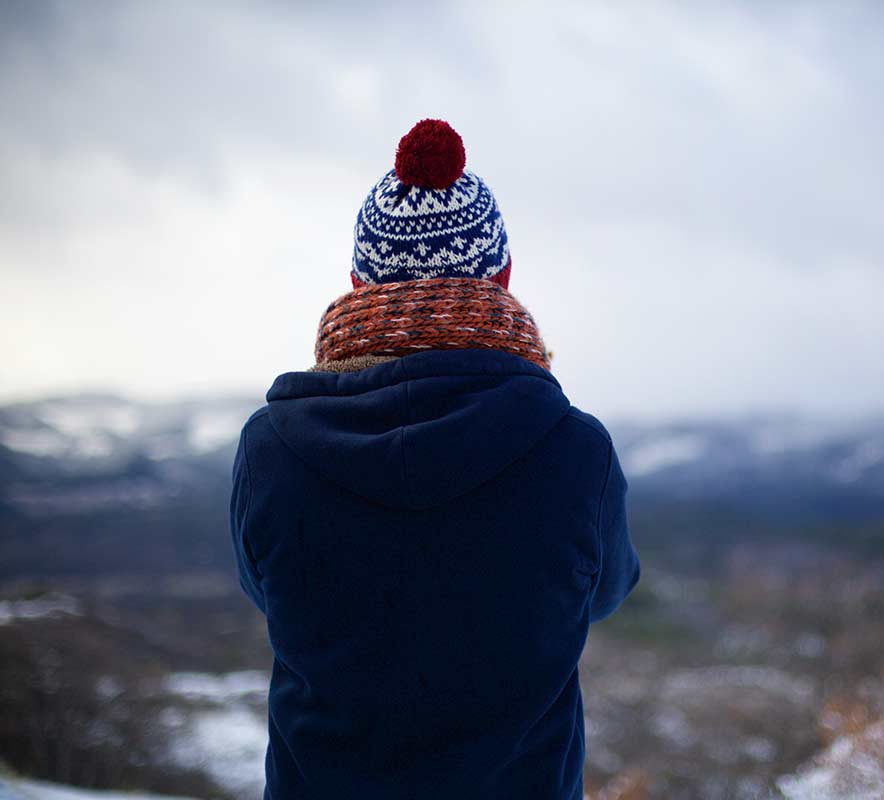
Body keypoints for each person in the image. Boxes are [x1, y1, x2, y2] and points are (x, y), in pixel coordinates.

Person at [228, 119, 641, 800]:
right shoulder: (576, 452)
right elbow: (602, 593)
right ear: (502, 277)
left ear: (358, 282)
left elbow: (263, 589)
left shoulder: (270, 448)